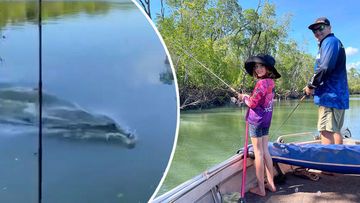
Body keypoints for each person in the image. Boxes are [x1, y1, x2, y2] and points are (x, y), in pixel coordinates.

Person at [237, 54, 281, 196]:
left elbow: (252, 103)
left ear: (268, 68)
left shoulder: (261, 84)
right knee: (265, 151)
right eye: (256, 67)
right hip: (266, 120)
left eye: (261, 66)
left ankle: (261, 189)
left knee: (259, 153)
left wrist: (244, 97)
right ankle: (271, 184)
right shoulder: (271, 83)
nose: (258, 69)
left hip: (256, 121)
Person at [304, 17, 349, 145]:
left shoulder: (330, 41)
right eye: (314, 30)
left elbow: (325, 67)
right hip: (334, 96)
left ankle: (327, 162)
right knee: (334, 130)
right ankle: (337, 162)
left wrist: (311, 85)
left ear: (330, 28)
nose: (317, 32)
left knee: (326, 131)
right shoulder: (331, 43)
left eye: (321, 28)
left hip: (330, 96)